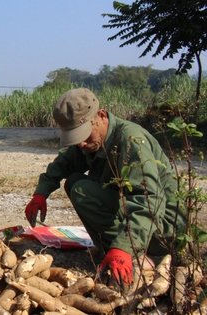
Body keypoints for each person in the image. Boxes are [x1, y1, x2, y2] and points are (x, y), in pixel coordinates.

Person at [24, 88, 186, 287]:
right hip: (146, 219)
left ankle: (141, 254)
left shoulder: (131, 140)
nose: (82, 144)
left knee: (82, 190)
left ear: (101, 116)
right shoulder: (92, 139)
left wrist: (124, 247)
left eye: (84, 136)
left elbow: (148, 201)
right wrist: (41, 192)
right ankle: (117, 249)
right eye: (76, 138)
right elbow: (65, 162)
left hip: (164, 229)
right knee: (75, 182)